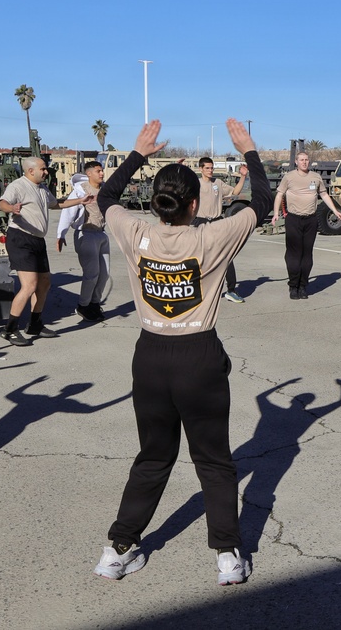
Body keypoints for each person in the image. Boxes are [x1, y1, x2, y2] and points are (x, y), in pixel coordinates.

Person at [92, 118, 271, 585]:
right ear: (195, 203)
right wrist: (248, 150)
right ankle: (227, 556)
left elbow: (106, 198)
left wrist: (136, 155)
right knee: (213, 460)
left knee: (152, 456)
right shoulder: (210, 237)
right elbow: (264, 204)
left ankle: (117, 550)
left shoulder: (137, 233)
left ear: (156, 203)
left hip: (150, 357)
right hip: (198, 357)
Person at [0, 157, 94, 346]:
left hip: (37, 240)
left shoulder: (42, 188)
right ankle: (9, 329)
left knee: (45, 283)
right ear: (31, 171)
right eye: (43, 169)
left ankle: (35, 324)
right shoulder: (18, 186)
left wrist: (81, 200)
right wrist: (12, 208)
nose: (46, 172)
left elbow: (56, 204)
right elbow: (2, 203)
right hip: (20, 238)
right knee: (29, 285)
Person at [274, 152, 341, 299]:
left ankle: (303, 286)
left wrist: (335, 210)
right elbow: (279, 194)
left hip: (310, 220)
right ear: (296, 162)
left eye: (306, 160)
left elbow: (323, 194)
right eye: (301, 160)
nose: (304, 162)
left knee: (307, 254)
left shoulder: (316, 178)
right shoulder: (289, 177)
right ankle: (293, 286)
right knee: (293, 254)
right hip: (293, 219)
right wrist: (275, 213)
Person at [56, 162, 111, 322]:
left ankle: (94, 304)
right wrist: (61, 234)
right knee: (92, 273)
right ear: (89, 174)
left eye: (102, 171)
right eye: (98, 171)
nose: (101, 173)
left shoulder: (105, 190)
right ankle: (83, 305)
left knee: (105, 273)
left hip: (101, 234)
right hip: (86, 234)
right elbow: (68, 212)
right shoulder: (81, 191)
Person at [193, 158, 247, 303]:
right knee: (202, 258)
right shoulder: (195, 184)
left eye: (212, 168)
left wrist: (242, 177)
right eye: (207, 168)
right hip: (201, 222)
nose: (210, 171)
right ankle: (199, 292)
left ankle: (231, 290)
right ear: (201, 169)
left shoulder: (218, 183)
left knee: (226, 255)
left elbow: (235, 191)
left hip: (217, 221)